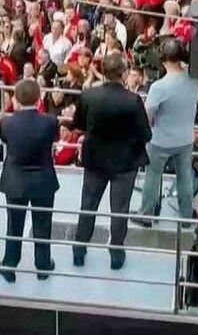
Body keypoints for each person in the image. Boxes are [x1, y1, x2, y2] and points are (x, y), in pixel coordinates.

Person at [72, 52, 151, 269]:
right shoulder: (133, 100)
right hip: (125, 163)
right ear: (123, 73)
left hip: (95, 159)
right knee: (120, 209)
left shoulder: (89, 96)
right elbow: (146, 135)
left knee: (88, 205)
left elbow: (78, 123)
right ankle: (116, 253)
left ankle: (79, 249)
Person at [0, 78, 59, 283]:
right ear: (39, 98)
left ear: (15, 98)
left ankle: (9, 264)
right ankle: (42, 266)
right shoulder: (50, 122)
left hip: (15, 181)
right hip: (43, 180)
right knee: (43, 223)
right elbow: (54, 139)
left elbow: (5, 139)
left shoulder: (7, 123)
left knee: (14, 224)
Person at [137, 38, 198, 224]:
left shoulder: (158, 87)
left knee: (152, 177)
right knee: (185, 177)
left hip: (160, 140)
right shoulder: (194, 79)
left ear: (161, 58)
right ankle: (187, 216)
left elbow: (147, 115)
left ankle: (146, 215)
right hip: (186, 139)